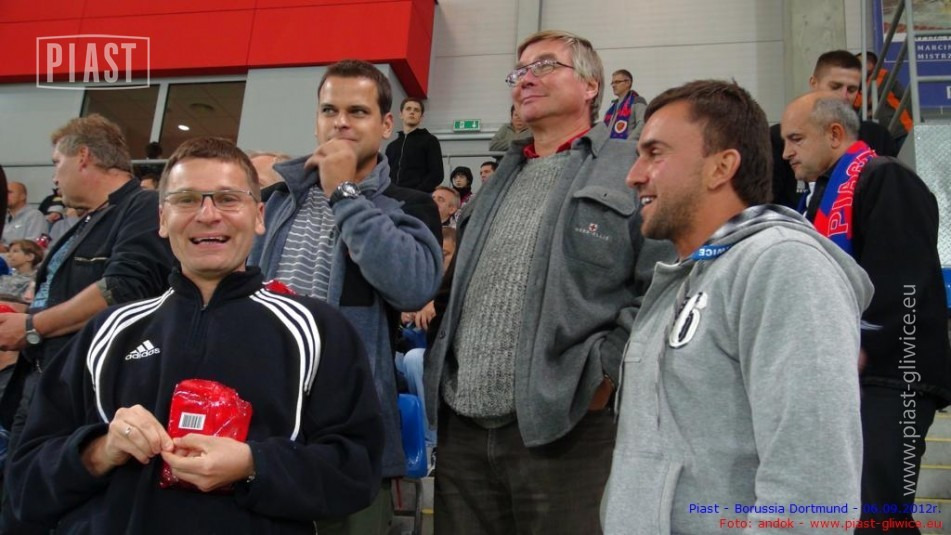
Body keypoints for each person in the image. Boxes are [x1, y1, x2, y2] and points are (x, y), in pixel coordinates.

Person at [6, 137, 384, 532]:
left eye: (227, 199)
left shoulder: (318, 331)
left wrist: (253, 464)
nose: (207, 215)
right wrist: (101, 450)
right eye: (186, 200)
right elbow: (25, 482)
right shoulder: (107, 332)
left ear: (258, 216)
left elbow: (356, 473)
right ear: (162, 218)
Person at [424, 30, 672, 534]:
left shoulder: (628, 168)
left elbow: (663, 281)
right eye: (518, 72)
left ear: (590, 85)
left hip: (568, 427)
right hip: (463, 429)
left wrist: (604, 374)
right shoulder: (496, 183)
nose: (525, 80)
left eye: (544, 66)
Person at [602, 80, 870, 534]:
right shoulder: (684, 278)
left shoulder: (782, 265)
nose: (634, 175)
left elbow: (812, 492)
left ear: (721, 167)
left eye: (654, 153)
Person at [248, 59, 442, 535]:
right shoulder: (276, 202)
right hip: (264, 425)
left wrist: (344, 193)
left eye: (357, 111)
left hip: (348, 433)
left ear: (386, 124)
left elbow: (412, 286)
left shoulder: (407, 204)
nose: (340, 122)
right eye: (329, 110)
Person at [781, 92, 951, 533]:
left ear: (835, 134)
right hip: (854, 376)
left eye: (796, 139)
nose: (786, 153)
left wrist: (860, 342)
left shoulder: (885, 178)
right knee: (858, 513)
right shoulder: (820, 197)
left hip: (893, 376)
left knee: (877, 514)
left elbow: (905, 283)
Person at [0, 114, 175, 533]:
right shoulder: (87, 219)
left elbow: (121, 289)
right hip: (42, 377)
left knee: (42, 505)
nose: (54, 178)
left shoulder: (142, 207)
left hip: (81, 389)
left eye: (56, 163)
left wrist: (32, 326)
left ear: (82, 157)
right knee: (20, 497)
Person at [770, 50, 897, 209]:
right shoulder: (777, 138)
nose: (843, 96)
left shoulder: (877, 137)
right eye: (835, 87)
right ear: (814, 83)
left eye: (851, 90)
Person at [384, 97, 444, 193]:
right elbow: (385, 175)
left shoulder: (430, 141)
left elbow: (437, 175)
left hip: (418, 197)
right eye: (408, 109)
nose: (412, 112)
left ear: (421, 117)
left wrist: (417, 192)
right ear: (401, 115)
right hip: (393, 197)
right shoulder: (392, 146)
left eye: (416, 110)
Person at [856, 51, 912, 146]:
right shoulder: (863, 84)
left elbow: (862, 100)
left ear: (870, 65)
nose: (854, 69)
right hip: (890, 132)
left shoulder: (881, 75)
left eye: (857, 65)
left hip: (903, 129)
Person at [603, 68, 648, 141]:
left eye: (617, 82)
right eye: (612, 83)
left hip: (629, 146)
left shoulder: (637, 101)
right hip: (612, 146)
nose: (613, 85)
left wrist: (627, 143)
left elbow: (643, 123)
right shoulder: (613, 106)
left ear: (628, 83)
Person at [1, 182, 46, 251]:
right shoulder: (4, 216)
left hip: (23, 256)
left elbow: (33, 245)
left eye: (9, 192)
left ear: (23, 196)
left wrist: (6, 248)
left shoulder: (35, 216)